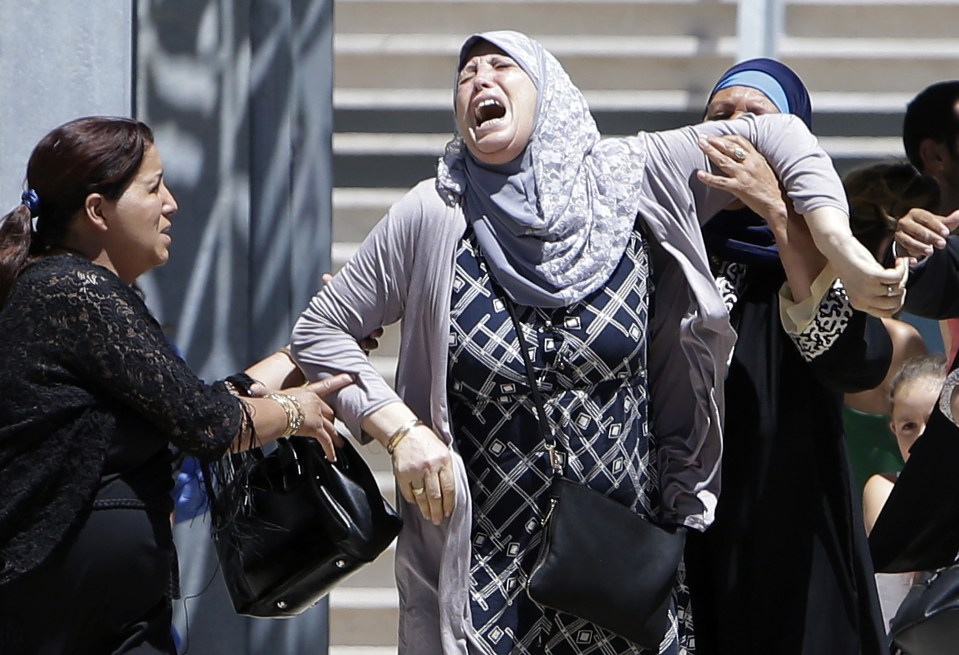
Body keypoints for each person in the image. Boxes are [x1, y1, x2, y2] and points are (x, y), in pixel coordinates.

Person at [284, 32, 900, 654]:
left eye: (502, 66)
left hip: (647, 560)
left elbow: (855, 351)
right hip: (491, 575)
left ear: (548, 89)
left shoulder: (626, 187)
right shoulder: (438, 212)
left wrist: (832, 242)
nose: (479, 80)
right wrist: (401, 429)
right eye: (465, 74)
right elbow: (319, 328)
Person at [0, 116, 352, 655]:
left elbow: (198, 404)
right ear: (98, 211)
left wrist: (311, 350)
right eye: (153, 186)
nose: (171, 204)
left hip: (106, 619)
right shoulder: (72, 291)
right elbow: (208, 423)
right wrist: (292, 412)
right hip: (66, 621)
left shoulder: (83, 294)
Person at [682, 59, 897, 655]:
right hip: (687, 538)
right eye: (719, 116)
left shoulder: (822, 246)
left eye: (756, 118)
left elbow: (855, 360)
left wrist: (779, 212)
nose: (734, 132)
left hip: (794, 540)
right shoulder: (670, 250)